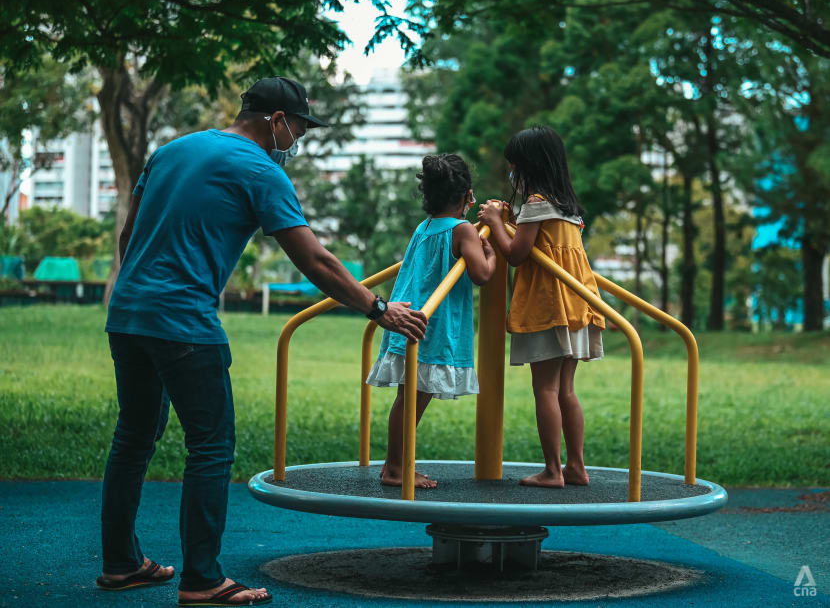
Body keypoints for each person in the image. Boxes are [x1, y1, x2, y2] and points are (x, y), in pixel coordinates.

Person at [96, 77, 427, 606]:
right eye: (296, 126)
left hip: (128, 314)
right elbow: (314, 260)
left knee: (133, 436)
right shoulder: (261, 170)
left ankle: (120, 565)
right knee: (210, 446)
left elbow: (128, 237)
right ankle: (202, 581)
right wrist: (379, 308)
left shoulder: (171, 150)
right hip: (184, 324)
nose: (297, 137)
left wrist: (146, 283)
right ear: (275, 120)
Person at [477, 125, 605, 489]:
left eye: (515, 165)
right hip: (577, 306)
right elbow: (536, 243)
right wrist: (509, 221)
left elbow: (517, 254)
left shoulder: (536, 204)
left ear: (530, 165)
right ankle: (576, 466)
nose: (512, 172)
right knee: (566, 390)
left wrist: (494, 222)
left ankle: (552, 470)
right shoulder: (569, 209)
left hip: (549, 308)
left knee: (545, 390)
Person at [366, 154, 496, 489]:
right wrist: (492, 254)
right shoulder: (463, 229)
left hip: (407, 317)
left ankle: (393, 465)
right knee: (413, 401)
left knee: (405, 399)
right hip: (430, 326)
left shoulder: (423, 228)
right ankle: (395, 468)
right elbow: (481, 275)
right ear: (467, 197)